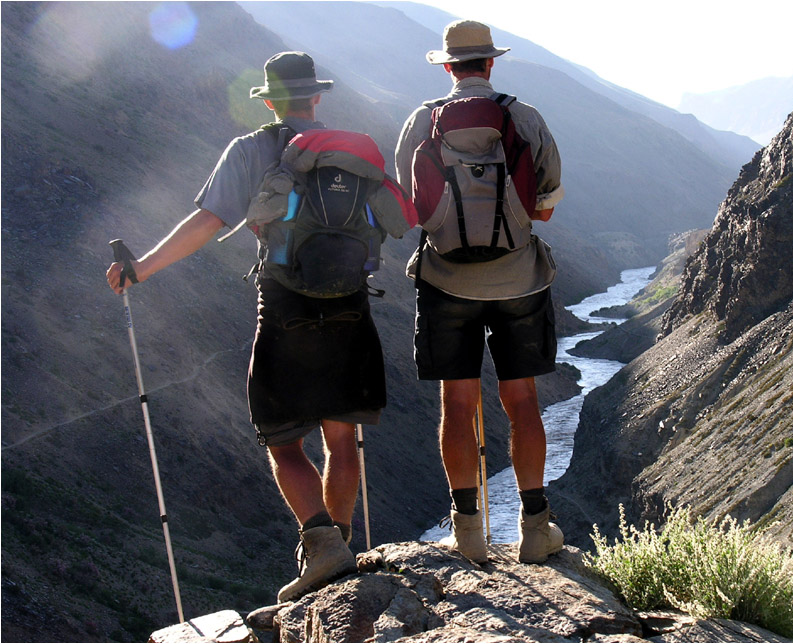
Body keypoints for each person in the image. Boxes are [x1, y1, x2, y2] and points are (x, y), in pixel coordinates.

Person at [106, 51, 396, 602]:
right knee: (342, 437)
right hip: (351, 304)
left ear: (267, 100)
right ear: (317, 97)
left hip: (286, 305)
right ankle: (341, 546)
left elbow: (208, 222)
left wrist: (139, 268)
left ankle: (323, 550)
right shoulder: (350, 150)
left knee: (283, 439)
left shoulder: (252, 148)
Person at [395, 20, 566, 564]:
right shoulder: (524, 117)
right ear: (491, 64)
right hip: (519, 280)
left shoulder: (422, 121)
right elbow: (545, 205)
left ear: (447, 67)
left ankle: (467, 532)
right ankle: (536, 529)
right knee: (522, 401)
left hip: (446, 281)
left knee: (458, 401)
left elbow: (410, 207)